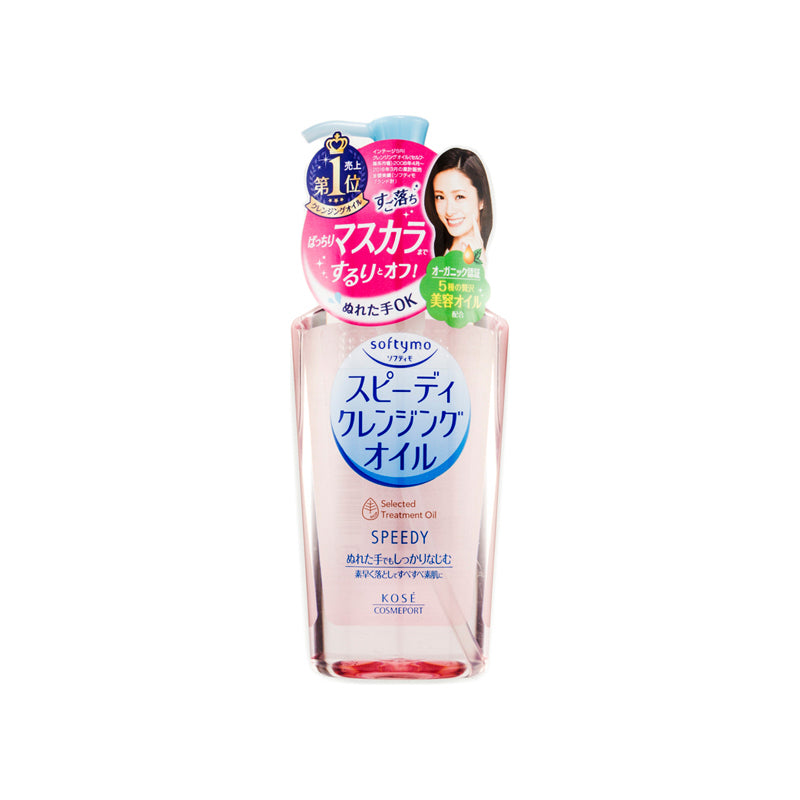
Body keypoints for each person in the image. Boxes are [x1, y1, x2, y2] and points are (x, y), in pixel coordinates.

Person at [424, 148, 493, 258]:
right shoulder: (431, 254)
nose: (449, 211)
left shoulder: (495, 253)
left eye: (459, 196)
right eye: (440, 197)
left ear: (482, 199)